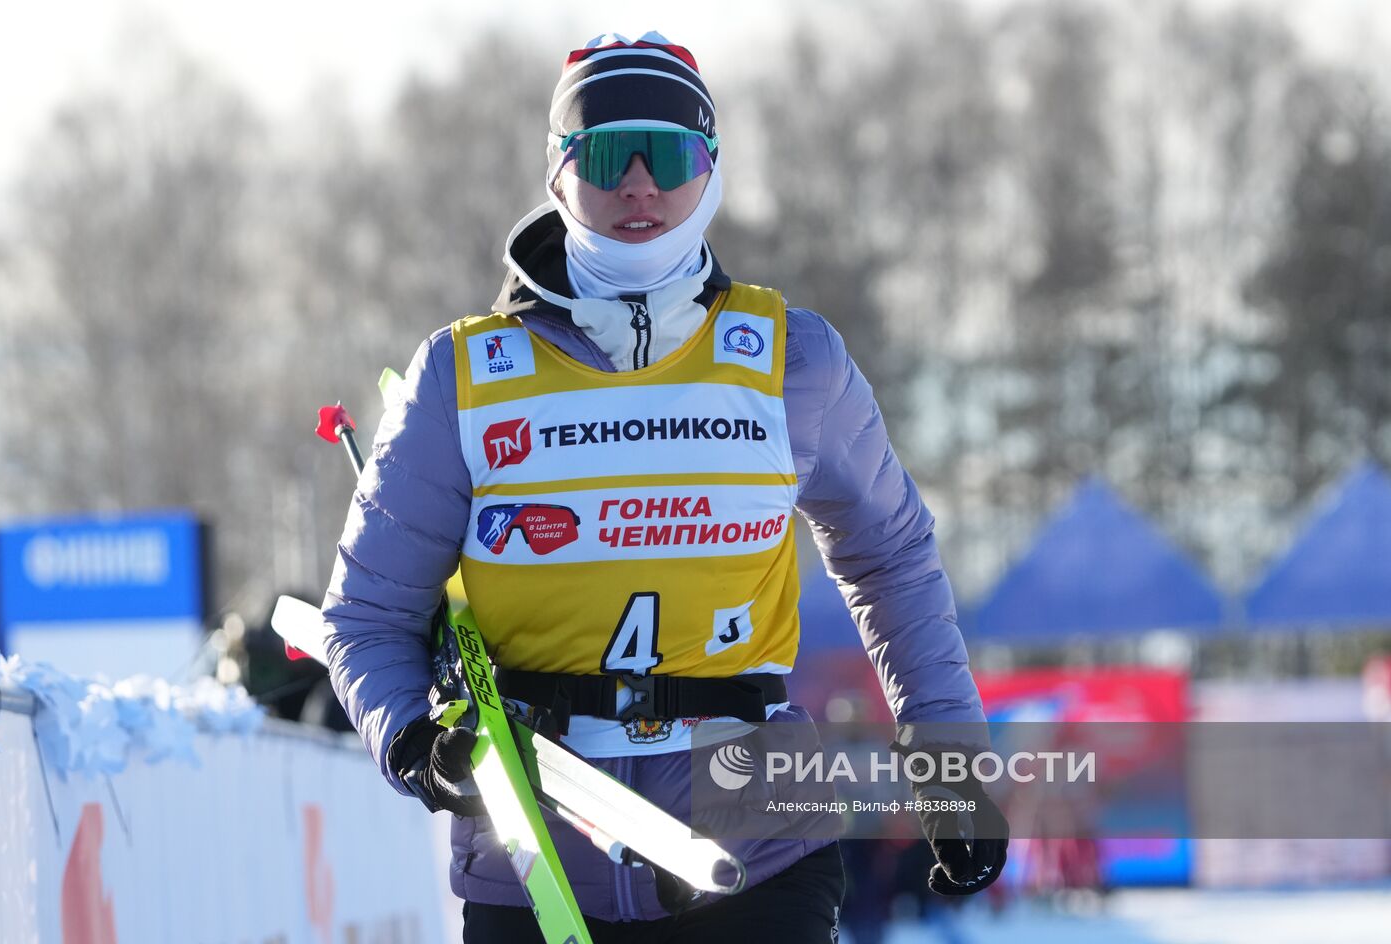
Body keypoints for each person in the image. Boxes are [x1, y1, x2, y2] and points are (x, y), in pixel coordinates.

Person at [322, 31, 1008, 943]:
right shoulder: (463, 375)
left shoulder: (794, 360)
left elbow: (894, 560)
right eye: (606, 153)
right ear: (559, 173)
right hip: (536, 866)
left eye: (670, 152)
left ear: (711, 169)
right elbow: (366, 613)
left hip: (758, 860)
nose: (639, 183)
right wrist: (415, 742)